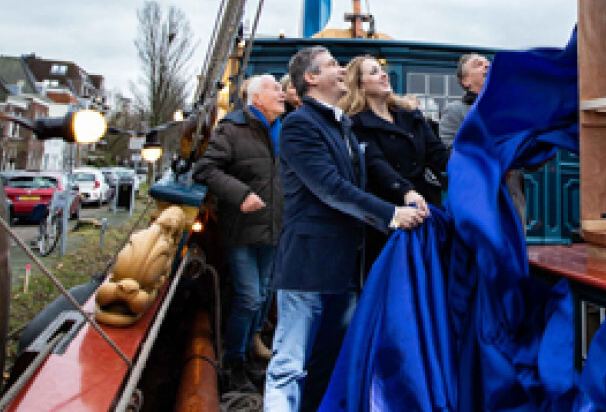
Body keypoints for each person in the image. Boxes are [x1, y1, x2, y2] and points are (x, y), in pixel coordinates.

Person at [264, 46, 429, 412]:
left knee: (329, 360)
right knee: (289, 363)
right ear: (310, 78)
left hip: (343, 265)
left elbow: (366, 180)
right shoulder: (299, 125)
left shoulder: (343, 127)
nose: (342, 71)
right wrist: (392, 214)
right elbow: (329, 187)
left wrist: (406, 194)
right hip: (307, 266)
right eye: (333, 66)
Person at [191, 74, 287, 393]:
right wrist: (241, 194)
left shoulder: (283, 130)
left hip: (273, 229)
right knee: (248, 297)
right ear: (256, 97)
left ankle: (245, 360)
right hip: (242, 229)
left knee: (261, 297)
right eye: (275, 88)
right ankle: (233, 362)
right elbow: (205, 170)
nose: (281, 92)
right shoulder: (232, 129)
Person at [341, 56, 448, 207]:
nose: (384, 75)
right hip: (386, 209)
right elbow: (375, 164)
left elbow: (437, 153)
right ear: (360, 87)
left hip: (423, 203)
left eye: (382, 70)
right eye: (374, 72)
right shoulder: (356, 124)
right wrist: (406, 191)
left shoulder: (411, 115)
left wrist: (466, 166)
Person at [438, 53, 527, 221]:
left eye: (488, 63)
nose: (486, 66)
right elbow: (448, 155)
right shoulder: (455, 111)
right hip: (476, 200)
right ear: (465, 81)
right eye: (478, 64)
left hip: (512, 199)